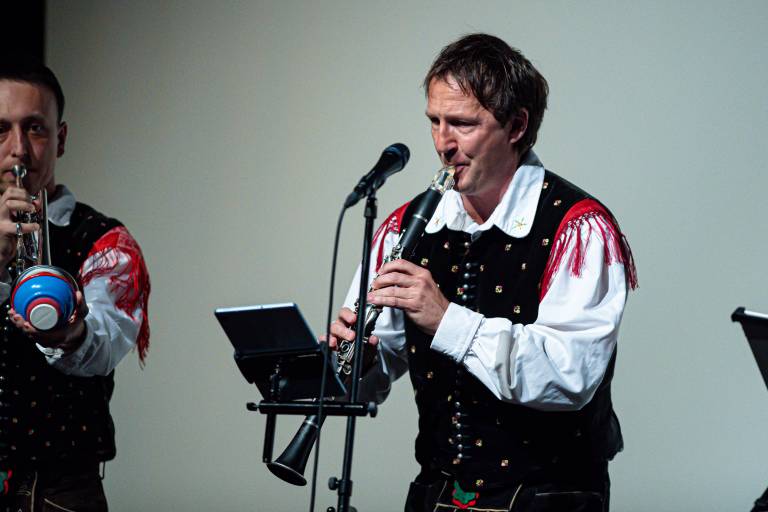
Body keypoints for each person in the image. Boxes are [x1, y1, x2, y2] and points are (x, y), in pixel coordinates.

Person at [328, 33, 636, 511]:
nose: (442, 144)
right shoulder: (406, 227)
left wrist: (446, 319)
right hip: (436, 494)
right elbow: (378, 370)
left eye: (463, 124)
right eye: (434, 122)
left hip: (548, 499)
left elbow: (568, 376)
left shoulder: (578, 228)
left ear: (516, 126)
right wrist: (359, 360)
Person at [0, 56, 150, 511]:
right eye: (0, 130)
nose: (18, 150)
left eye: (35, 129)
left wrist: (72, 333)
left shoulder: (105, 240)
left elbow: (105, 345)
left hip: (57, 492)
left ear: (60, 139)